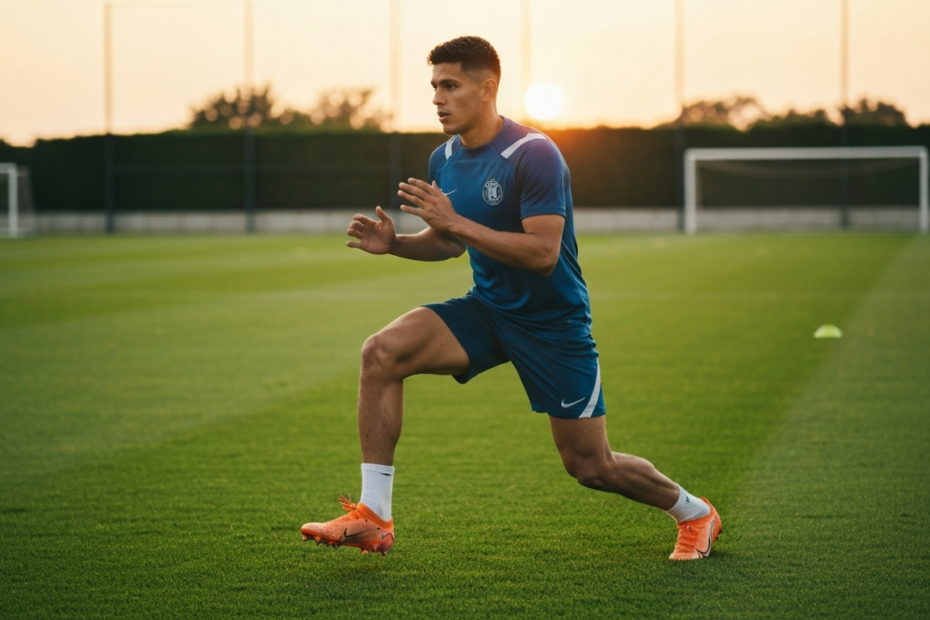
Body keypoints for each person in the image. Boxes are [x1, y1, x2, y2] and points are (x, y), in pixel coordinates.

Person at [301, 36, 721, 560]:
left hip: (553, 324)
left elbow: (543, 252)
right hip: (489, 308)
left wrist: (456, 221)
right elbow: (452, 242)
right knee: (381, 352)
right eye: (434, 87)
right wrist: (398, 245)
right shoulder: (445, 157)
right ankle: (374, 516)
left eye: (450, 86)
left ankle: (694, 513)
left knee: (590, 467)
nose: (437, 98)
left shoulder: (535, 154)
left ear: (487, 88)